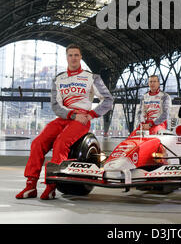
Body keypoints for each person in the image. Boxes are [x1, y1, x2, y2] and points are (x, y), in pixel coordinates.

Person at [16, 43, 114, 200]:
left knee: (61, 142)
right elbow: (56, 106)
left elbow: (108, 100)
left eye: (76, 55)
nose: (73, 58)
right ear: (66, 57)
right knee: (37, 143)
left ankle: (52, 186)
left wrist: (91, 114)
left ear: (81, 57)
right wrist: (71, 115)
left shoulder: (92, 77)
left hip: (82, 119)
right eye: (70, 55)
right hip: (64, 117)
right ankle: (30, 185)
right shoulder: (58, 79)